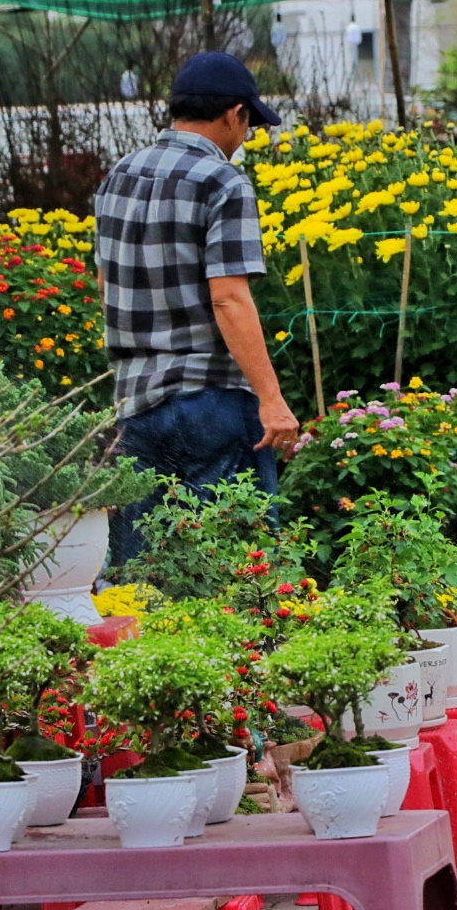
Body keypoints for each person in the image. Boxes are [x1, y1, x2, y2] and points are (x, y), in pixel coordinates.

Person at [94, 51, 301, 565]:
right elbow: (229, 296)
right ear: (234, 114)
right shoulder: (222, 181)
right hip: (212, 404)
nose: (248, 136)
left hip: (135, 407)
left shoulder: (118, 175)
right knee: (238, 568)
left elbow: (105, 282)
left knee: (141, 573)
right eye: (249, 123)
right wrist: (271, 400)